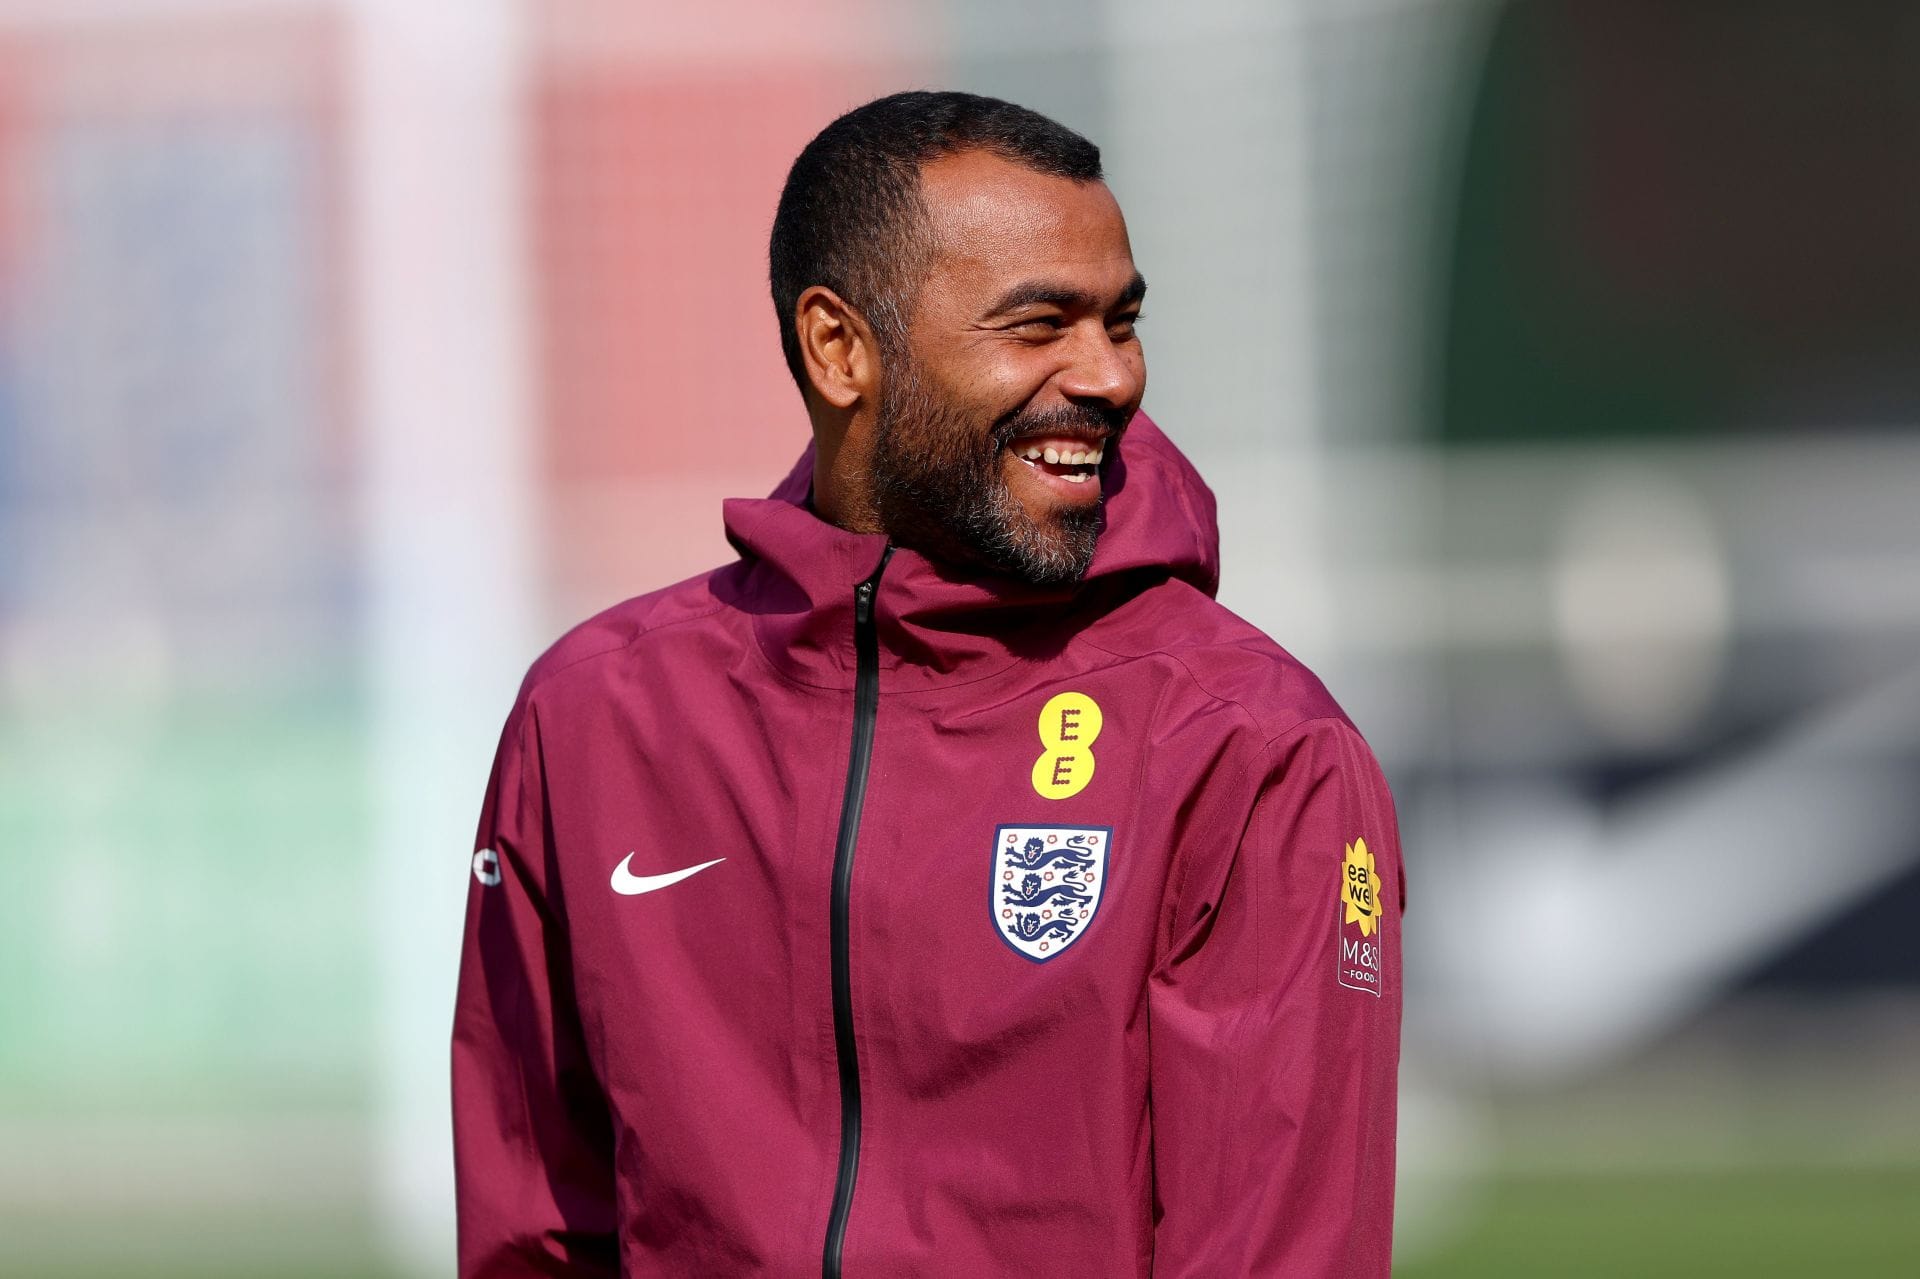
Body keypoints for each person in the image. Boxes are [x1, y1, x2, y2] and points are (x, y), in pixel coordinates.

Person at [453, 90, 1403, 1277]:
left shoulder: (1253, 745)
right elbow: (537, 1234)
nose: (1108, 376)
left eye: (1121, 319)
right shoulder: (591, 719)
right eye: (1039, 323)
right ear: (839, 348)